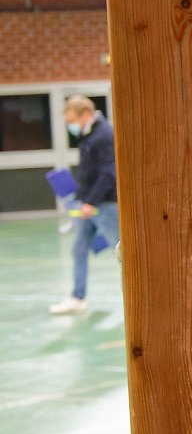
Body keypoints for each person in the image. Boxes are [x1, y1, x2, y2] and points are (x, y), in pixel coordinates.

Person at [50, 95, 121, 315]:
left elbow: (108, 173)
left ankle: (140, 295)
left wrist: (91, 202)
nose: (71, 126)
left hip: (104, 205)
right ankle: (78, 297)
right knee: (79, 249)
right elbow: (88, 173)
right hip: (86, 205)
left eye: (72, 120)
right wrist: (81, 200)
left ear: (86, 113)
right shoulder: (87, 135)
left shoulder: (104, 134)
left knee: (122, 254)